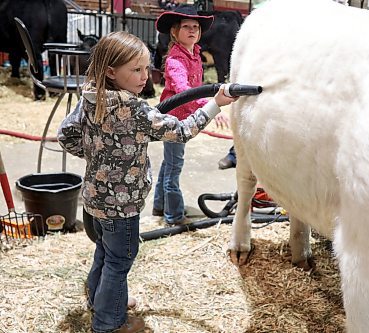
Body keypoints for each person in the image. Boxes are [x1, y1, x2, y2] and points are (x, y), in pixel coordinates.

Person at [57, 31, 237, 333]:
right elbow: (182, 131)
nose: (145, 77)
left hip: (95, 199)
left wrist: (95, 158)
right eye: (136, 70)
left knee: (105, 251)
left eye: (146, 68)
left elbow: (66, 134)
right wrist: (216, 103)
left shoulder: (89, 95)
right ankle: (109, 323)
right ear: (112, 72)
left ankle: (100, 300)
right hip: (124, 206)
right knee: (120, 260)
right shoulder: (136, 110)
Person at [152, 5, 225, 224]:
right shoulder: (175, 60)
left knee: (169, 164)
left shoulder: (194, 55)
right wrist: (211, 104)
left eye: (195, 27)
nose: (192, 30)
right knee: (174, 167)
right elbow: (184, 91)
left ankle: (159, 205)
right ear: (175, 32)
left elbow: (196, 87)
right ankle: (173, 216)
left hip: (183, 119)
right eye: (186, 27)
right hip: (174, 121)